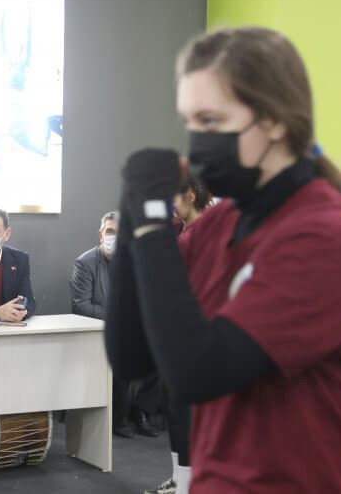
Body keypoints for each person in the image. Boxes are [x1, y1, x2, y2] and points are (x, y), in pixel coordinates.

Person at [105, 26, 341, 492]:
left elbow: (199, 373)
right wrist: (131, 213)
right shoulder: (219, 225)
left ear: (274, 120)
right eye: (190, 123)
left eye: (211, 120)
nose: (197, 141)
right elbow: (131, 356)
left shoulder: (329, 237)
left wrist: (154, 224)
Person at [146, 177, 212, 494]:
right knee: (175, 410)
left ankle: (187, 486)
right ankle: (179, 479)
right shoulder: (182, 231)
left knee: (185, 413)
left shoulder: (201, 237)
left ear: (190, 195)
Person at [71, 212, 159, 438]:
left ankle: (141, 411)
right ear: (101, 234)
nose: (114, 237)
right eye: (110, 231)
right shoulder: (86, 263)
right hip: (99, 332)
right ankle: (118, 418)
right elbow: (81, 306)